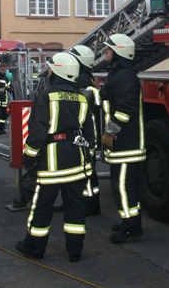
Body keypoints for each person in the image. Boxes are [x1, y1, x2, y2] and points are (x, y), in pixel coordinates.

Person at [16, 53, 95, 262]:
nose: (48, 72)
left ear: (57, 71)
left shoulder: (46, 96)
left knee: (41, 207)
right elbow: (89, 135)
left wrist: (28, 159)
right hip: (76, 163)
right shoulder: (82, 97)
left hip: (51, 165)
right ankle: (75, 250)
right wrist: (88, 159)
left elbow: (37, 134)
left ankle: (34, 247)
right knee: (76, 207)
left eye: (50, 69)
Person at [101, 34, 146, 243]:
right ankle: (130, 221)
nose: (106, 53)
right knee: (122, 186)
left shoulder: (125, 77)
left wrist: (109, 133)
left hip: (127, 144)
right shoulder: (119, 74)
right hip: (123, 144)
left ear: (118, 52)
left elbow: (123, 112)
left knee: (123, 187)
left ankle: (132, 227)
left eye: (108, 50)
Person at [67, 45, 102, 216]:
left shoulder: (81, 80)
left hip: (85, 132)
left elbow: (79, 107)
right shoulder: (84, 78)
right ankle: (85, 202)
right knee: (85, 168)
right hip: (87, 131)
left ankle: (90, 205)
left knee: (87, 169)